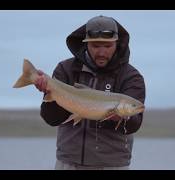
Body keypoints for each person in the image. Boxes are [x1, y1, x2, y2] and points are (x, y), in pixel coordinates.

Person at [34, 15, 146, 170]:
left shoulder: (131, 77)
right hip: (68, 163)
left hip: (112, 165)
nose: (101, 52)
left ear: (117, 44)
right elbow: (51, 119)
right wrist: (49, 91)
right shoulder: (66, 69)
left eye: (107, 47)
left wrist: (120, 119)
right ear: (85, 44)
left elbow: (135, 123)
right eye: (95, 46)